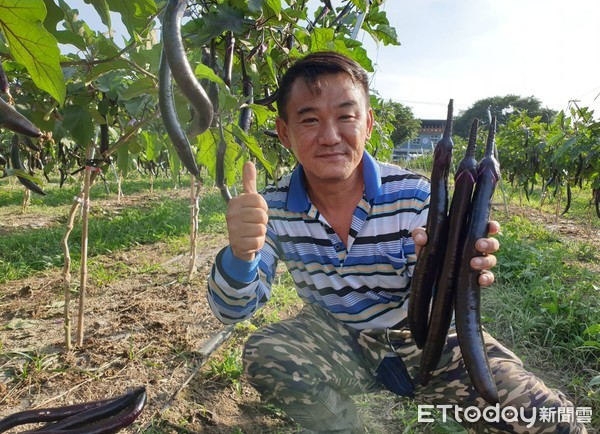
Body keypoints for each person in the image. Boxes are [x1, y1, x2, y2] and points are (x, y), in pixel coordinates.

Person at [207, 51, 586, 433]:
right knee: (267, 354)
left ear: (368, 124)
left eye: (345, 116)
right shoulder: (271, 207)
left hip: (428, 338)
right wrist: (241, 255)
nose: (330, 136)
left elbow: (436, 292)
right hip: (338, 339)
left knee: (553, 422)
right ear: (285, 132)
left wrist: (450, 267)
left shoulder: (413, 194)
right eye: (309, 120)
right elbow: (232, 312)